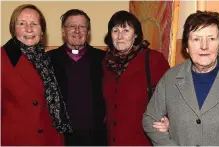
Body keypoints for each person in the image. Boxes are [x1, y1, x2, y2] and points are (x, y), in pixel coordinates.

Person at [143, 10, 219, 146]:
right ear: (186, 47)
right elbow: (149, 119)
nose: (204, 46)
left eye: (211, 39)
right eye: (196, 39)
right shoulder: (171, 78)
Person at [1, 4, 72, 146]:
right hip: (18, 140)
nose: (29, 29)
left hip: (50, 138)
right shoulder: (3, 58)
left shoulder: (49, 60)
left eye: (34, 24)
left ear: (41, 32)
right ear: (14, 29)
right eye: (22, 24)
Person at [102, 10, 170, 146]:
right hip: (113, 140)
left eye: (126, 30)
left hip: (143, 140)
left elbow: (172, 95)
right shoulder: (106, 63)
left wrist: (169, 119)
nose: (120, 36)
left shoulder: (153, 60)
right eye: (115, 31)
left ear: (136, 35)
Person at [47, 9, 107, 146]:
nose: (77, 30)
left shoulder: (103, 59)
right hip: (61, 135)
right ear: (63, 30)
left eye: (82, 26)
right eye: (72, 26)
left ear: (88, 31)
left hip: (96, 136)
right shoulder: (49, 59)